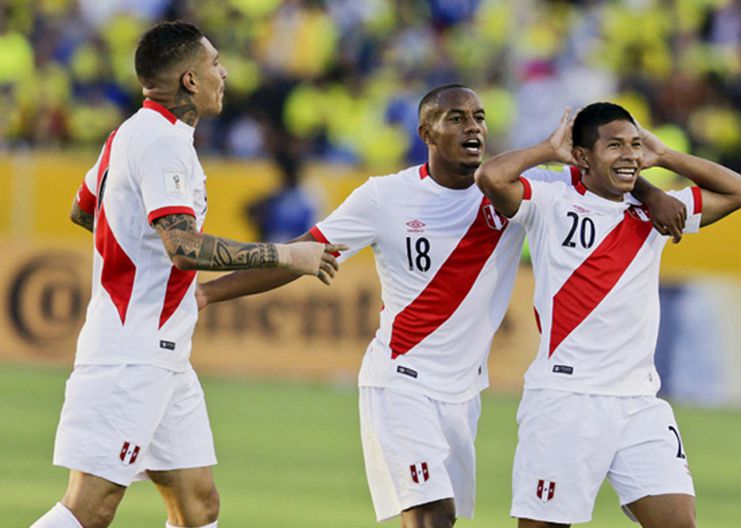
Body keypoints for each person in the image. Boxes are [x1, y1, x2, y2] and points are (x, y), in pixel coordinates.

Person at [195, 84, 689, 527]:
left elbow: (604, 176)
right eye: (457, 118)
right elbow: (300, 254)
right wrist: (208, 293)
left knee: (443, 517)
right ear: (426, 132)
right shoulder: (386, 197)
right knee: (430, 515)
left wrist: (650, 190)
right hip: (401, 380)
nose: (473, 127)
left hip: (463, 393)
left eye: (479, 118)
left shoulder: (523, 189)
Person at [32, 21, 342, 528]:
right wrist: (288, 256)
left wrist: (135, 246)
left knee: (198, 506)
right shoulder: (161, 141)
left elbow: (84, 208)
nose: (225, 73)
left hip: (164, 354)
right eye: (215, 63)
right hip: (131, 352)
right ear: (190, 80)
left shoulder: (129, 133)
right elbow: (182, 247)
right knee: (90, 507)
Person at [474, 102, 741, 527]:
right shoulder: (551, 197)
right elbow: (491, 177)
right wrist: (549, 149)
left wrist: (664, 157)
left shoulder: (655, 212)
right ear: (582, 156)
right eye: (615, 145)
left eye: (635, 145)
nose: (629, 154)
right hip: (565, 398)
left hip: (638, 401)